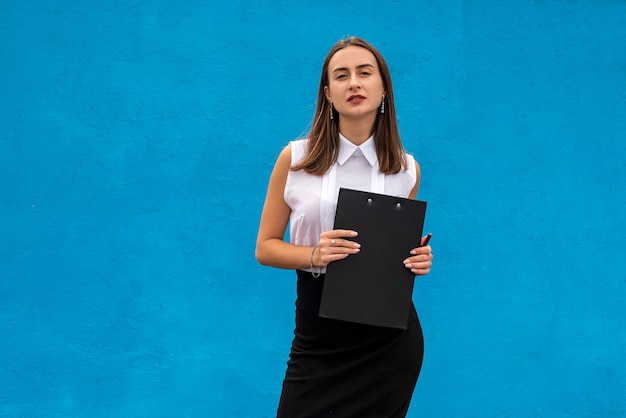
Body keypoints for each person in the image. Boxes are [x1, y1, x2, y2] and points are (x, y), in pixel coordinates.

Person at [255, 36, 433, 417]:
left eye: (365, 73)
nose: (354, 83)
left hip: (389, 342)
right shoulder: (296, 159)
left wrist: (418, 258)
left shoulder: (406, 168)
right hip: (319, 334)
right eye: (342, 75)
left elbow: (397, 252)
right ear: (328, 93)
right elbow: (265, 247)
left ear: (383, 87)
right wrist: (313, 254)